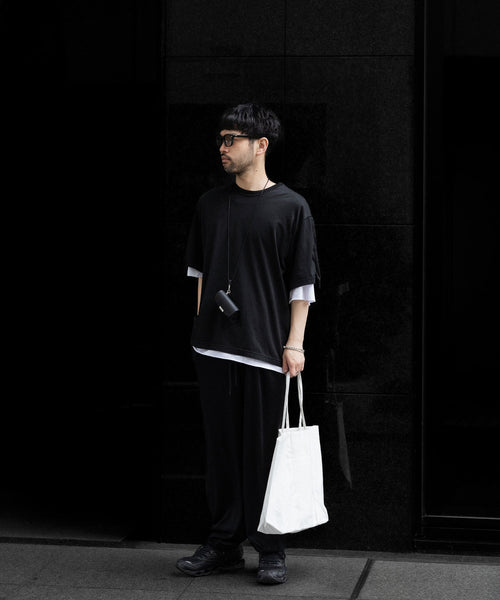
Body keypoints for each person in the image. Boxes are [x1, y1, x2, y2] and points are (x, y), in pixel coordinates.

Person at [177, 103, 320, 585]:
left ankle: (271, 548)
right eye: (220, 139)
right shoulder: (209, 204)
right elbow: (198, 273)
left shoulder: (292, 207)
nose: (222, 148)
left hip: (265, 350)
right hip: (213, 349)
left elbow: (302, 285)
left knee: (263, 453)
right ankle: (224, 544)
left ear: (261, 145)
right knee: (220, 452)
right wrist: (202, 329)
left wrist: (295, 344)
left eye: (231, 139)